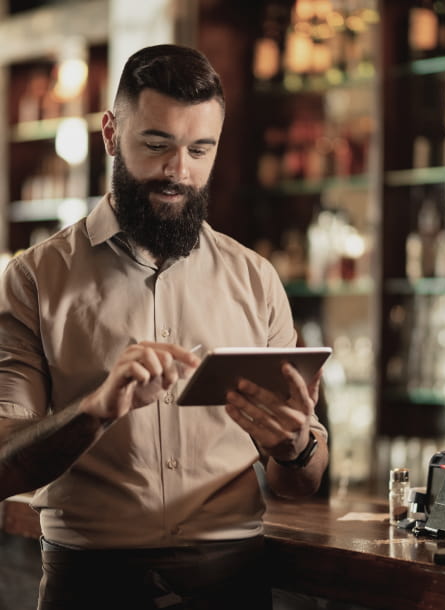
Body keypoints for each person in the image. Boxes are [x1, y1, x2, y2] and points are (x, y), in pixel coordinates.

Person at [0, 44, 329, 610]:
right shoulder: (33, 279)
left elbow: (301, 482)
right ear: (110, 133)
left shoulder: (256, 279)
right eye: (157, 146)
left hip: (234, 579)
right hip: (90, 582)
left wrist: (295, 445)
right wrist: (97, 410)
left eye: (200, 150)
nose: (180, 171)